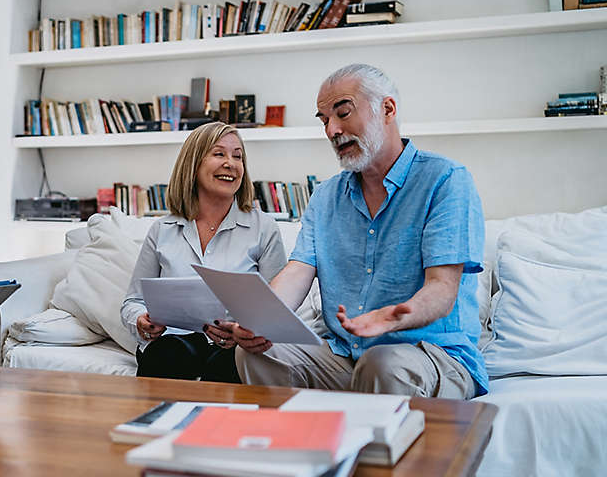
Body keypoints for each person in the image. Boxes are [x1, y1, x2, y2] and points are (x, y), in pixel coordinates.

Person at [228, 64, 486, 398]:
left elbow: (443, 288)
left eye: (343, 113)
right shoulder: (325, 196)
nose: (332, 130)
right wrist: (259, 320)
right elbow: (298, 271)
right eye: (323, 120)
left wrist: (394, 318)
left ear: (387, 109)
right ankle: (294, 446)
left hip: (430, 355)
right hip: (347, 356)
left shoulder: (445, 180)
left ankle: (370, 449)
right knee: (258, 353)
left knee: (383, 363)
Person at [121, 122, 287, 383]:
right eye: (219, 154)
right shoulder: (162, 230)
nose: (231, 163)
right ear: (193, 164)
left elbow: (278, 309)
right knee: (167, 353)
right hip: (171, 346)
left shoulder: (263, 228)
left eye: (238, 156)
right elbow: (133, 302)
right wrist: (141, 322)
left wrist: (243, 332)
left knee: (230, 364)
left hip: (233, 349)